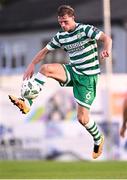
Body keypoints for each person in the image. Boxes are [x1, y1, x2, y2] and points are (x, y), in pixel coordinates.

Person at [9, 5, 112, 159]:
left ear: (73, 18)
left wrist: (107, 49)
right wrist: (31, 64)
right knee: (46, 69)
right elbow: (45, 51)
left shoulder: (85, 30)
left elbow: (106, 38)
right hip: (73, 71)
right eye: (60, 22)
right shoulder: (61, 36)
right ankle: (27, 104)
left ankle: (98, 138)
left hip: (88, 78)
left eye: (65, 22)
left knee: (82, 118)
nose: (63, 25)